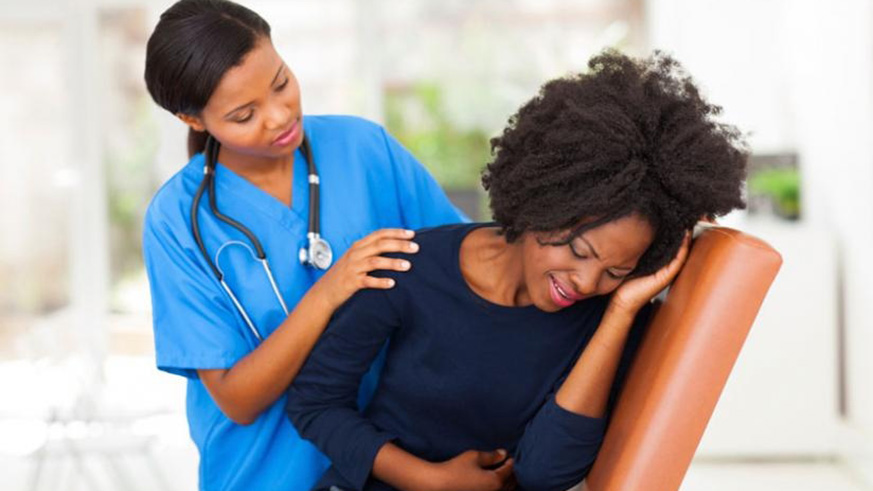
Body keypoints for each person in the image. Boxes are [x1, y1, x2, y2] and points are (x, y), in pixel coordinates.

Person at [286, 50, 748, 491]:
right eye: (580, 251)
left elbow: (546, 473)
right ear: (540, 205)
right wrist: (427, 480)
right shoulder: (409, 266)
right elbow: (315, 401)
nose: (587, 282)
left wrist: (622, 310)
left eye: (616, 271)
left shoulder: (609, 317)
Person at [141, 0, 466, 489]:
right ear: (194, 120)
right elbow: (237, 399)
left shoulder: (363, 149)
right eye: (244, 115)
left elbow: (465, 269)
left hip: (402, 463)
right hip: (266, 475)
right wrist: (329, 290)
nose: (279, 116)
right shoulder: (177, 222)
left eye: (281, 83)